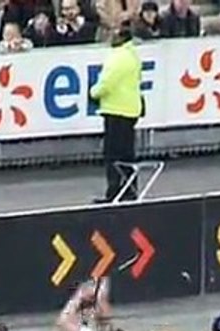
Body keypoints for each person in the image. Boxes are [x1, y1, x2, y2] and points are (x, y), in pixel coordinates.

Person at [89, 21, 142, 203]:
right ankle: (130, 190)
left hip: (116, 109)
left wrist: (93, 92)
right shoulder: (132, 54)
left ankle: (114, 192)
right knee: (127, 153)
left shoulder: (117, 57)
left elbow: (106, 83)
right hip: (130, 109)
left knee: (113, 155)